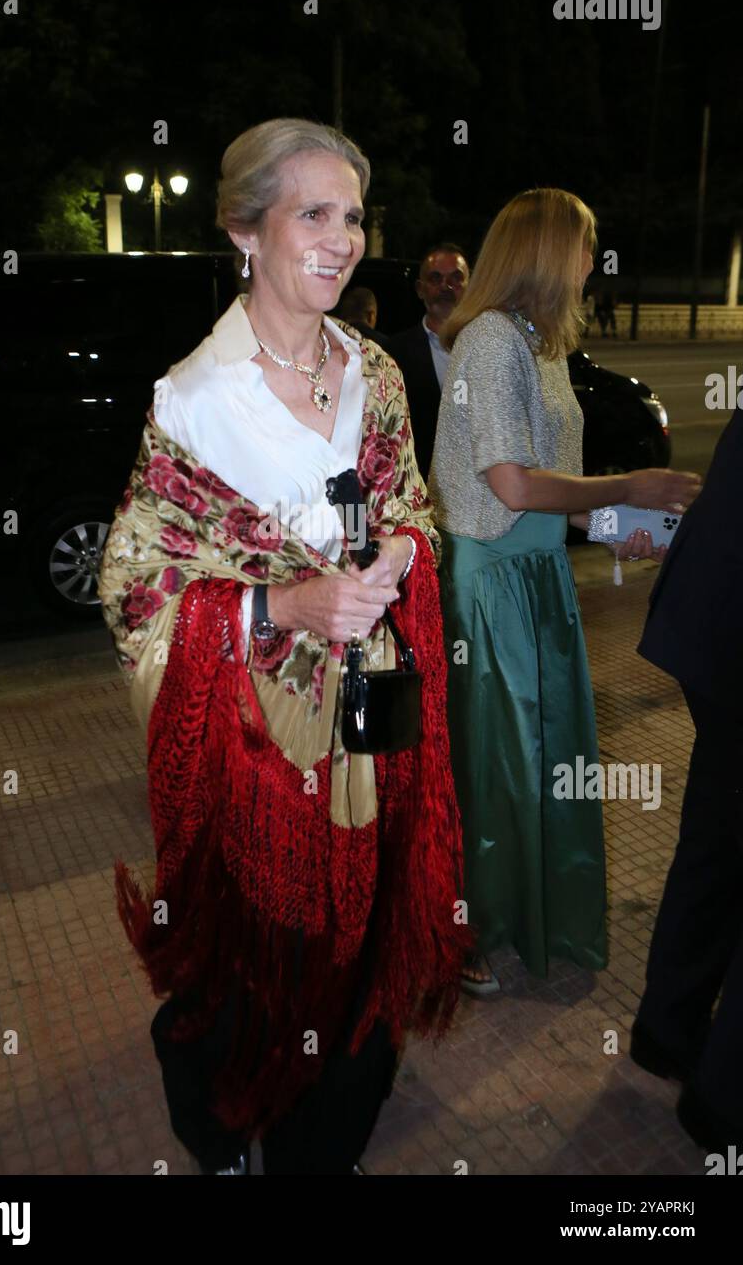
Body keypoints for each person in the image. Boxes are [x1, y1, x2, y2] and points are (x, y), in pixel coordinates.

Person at [98, 117, 470, 1176]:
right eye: (313, 212)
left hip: (367, 727)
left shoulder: (377, 376)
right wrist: (279, 609)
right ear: (244, 233)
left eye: (351, 216)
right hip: (249, 742)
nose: (342, 237)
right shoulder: (193, 401)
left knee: (352, 949)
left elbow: (412, 508)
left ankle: (321, 1141)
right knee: (244, 957)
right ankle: (220, 1125)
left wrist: (398, 554)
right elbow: (134, 592)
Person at [427, 188, 701, 995]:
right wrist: (638, 483)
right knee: (497, 764)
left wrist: (622, 528)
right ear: (547, 253)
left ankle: (526, 912)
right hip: (494, 582)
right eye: (583, 245)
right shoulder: (488, 341)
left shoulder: (536, 346)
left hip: (538, 573)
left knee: (543, 759)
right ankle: (469, 930)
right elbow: (510, 486)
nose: (592, 261)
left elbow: (554, 492)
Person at [631, 403, 743, 1155]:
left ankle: (666, 1033)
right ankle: (724, 1101)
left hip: (717, 635)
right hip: (730, 638)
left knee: (717, 839)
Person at [381, 244, 470, 481]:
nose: (446, 286)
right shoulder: (393, 353)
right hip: (417, 487)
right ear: (420, 289)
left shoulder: (488, 349)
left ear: (469, 287)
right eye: (436, 278)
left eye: (456, 278)